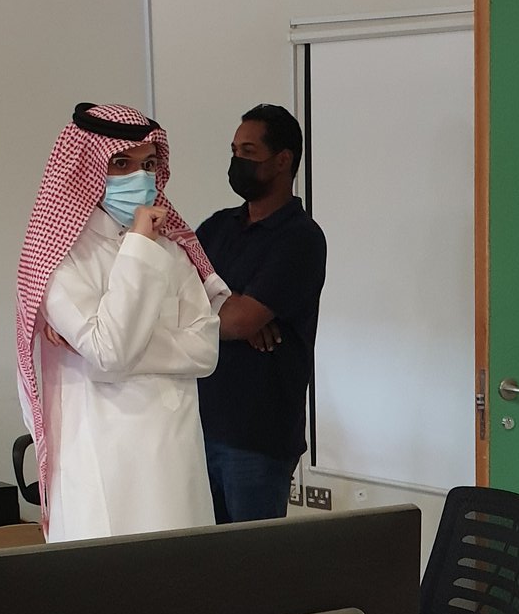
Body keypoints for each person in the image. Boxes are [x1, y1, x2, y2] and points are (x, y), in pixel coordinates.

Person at [16, 102, 226, 543]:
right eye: (121, 164)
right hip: (99, 466)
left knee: (182, 574)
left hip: (174, 461)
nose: (141, 178)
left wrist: (107, 354)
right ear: (88, 168)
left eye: (148, 164)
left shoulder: (173, 249)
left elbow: (205, 351)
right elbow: (112, 352)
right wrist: (138, 246)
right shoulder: (59, 256)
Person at [197, 104, 327, 522]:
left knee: (252, 559)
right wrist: (231, 309)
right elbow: (170, 295)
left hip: (258, 439)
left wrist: (231, 316)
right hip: (198, 427)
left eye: (249, 152)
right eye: (234, 151)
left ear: (283, 160)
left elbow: (240, 321)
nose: (237, 161)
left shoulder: (301, 239)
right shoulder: (216, 227)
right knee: (197, 556)